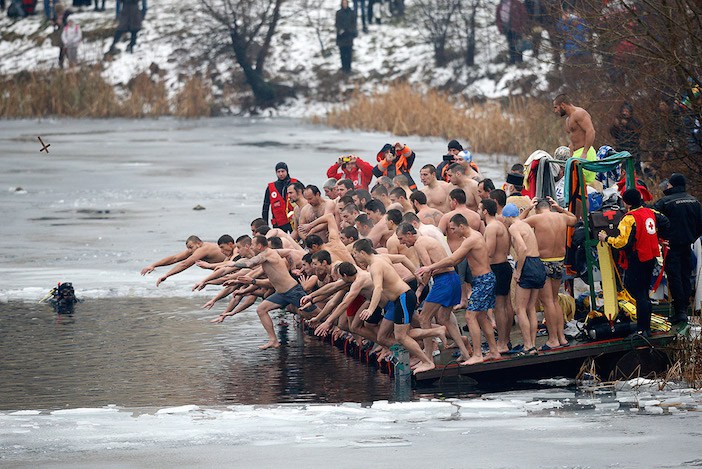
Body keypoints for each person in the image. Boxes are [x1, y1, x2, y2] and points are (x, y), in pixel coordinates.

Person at [416, 214, 499, 364]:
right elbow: (458, 259)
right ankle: (493, 351)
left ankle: (478, 354)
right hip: (484, 279)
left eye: (453, 229)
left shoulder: (472, 238)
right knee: (481, 317)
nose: (452, 232)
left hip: (483, 280)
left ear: (462, 226)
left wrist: (430, 267)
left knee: (470, 317)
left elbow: (453, 260)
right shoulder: (473, 237)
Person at [215, 236, 320, 349]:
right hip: (281, 294)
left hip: (293, 291)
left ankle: (334, 324)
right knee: (261, 309)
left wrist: (233, 264)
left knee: (317, 313)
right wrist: (293, 267)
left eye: (253, 245)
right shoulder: (271, 253)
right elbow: (287, 253)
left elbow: (250, 264)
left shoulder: (266, 254)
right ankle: (273, 340)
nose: (251, 247)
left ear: (259, 246)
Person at [352, 239, 436, 374]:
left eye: (355, 254)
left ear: (362, 252)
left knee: (401, 336)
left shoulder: (375, 266)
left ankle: (427, 361)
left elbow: (378, 288)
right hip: (401, 299)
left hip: (403, 297)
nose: (354, 257)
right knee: (399, 335)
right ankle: (429, 346)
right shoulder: (380, 257)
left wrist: (371, 309)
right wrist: (416, 274)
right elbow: (402, 258)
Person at [599, 189, 670, 337]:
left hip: (638, 258)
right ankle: (646, 328)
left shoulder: (629, 218)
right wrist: (659, 236)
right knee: (644, 293)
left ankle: (641, 329)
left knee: (639, 295)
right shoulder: (649, 212)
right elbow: (665, 221)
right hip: (651, 256)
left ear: (626, 202)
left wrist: (606, 238)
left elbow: (622, 243)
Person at [520, 197, 577, 349]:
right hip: (559, 261)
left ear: (537, 208)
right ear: (550, 207)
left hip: (543, 262)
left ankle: (553, 339)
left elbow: (516, 224)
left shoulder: (536, 218)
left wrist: (527, 209)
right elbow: (574, 219)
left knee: (547, 302)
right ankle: (562, 337)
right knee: (554, 300)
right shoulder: (562, 217)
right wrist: (560, 208)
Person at [653, 173, 702, 324]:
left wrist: (661, 239)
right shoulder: (695, 202)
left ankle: (679, 311)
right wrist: (691, 237)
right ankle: (685, 307)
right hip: (687, 245)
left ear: (672, 185)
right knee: (685, 276)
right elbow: (700, 225)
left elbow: (653, 222)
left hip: (671, 247)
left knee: (675, 278)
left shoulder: (664, 203)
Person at [503, 203, 545, 354]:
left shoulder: (513, 228)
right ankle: (532, 344)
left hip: (527, 265)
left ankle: (528, 345)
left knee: (520, 309)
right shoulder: (525, 224)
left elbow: (522, 249)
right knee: (531, 308)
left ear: (507, 217)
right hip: (538, 264)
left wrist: (518, 270)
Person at [480, 198, 513, 354]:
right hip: (505, 266)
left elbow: (490, 252)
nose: (478, 212)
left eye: (480, 209)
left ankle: (501, 343)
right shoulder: (501, 224)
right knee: (506, 306)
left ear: (485, 210)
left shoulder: (492, 227)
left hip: (498, 268)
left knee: (499, 307)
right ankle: (506, 340)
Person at [140, 235, 227, 287]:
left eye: (191, 247)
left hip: (232, 266)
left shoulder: (204, 249)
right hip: (226, 270)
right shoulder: (195, 249)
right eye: (188, 248)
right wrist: (153, 265)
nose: (189, 251)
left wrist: (166, 275)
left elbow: (185, 264)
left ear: (199, 243)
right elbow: (175, 258)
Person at [552, 93, 597, 184]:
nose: (555, 111)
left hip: (585, 152)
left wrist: (585, 152)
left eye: (556, 107)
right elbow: (573, 139)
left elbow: (591, 131)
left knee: (579, 183)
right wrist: (570, 152)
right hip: (575, 154)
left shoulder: (579, 113)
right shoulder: (568, 120)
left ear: (563, 105)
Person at [261, 162, 298, 233]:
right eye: (278, 172)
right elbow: (265, 207)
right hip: (279, 223)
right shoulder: (270, 187)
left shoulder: (296, 183)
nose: (281, 174)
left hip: (294, 221)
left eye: (283, 171)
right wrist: (265, 226)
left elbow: (304, 200)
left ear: (287, 171)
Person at [609, 102, 642, 171]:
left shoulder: (635, 121)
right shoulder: (619, 121)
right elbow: (614, 134)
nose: (625, 113)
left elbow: (637, 132)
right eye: (624, 111)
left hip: (633, 148)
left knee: (635, 167)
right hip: (621, 147)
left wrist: (627, 125)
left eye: (627, 111)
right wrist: (616, 126)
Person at [495, 0, 528, 64]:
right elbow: (498, 18)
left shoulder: (516, 3)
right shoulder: (500, 5)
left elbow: (523, 14)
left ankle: (519, 60)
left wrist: (522, 25)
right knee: (510, 44)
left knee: (518, 43)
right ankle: (512, 60)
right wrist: (501, 28)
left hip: (517, 28)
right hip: (507, 29)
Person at [335, 0, 357, 74]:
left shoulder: (351, 13)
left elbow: (354, 24)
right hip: (341, 36)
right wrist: (341, 30)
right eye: (343, 3)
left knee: (349, 53)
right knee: (342, 53)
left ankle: (348, 68)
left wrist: (351, 31)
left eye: (346, 3)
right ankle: (344, 68)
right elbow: (337, 24)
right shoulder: (338, 13)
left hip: (349, 35)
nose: (344, 5)